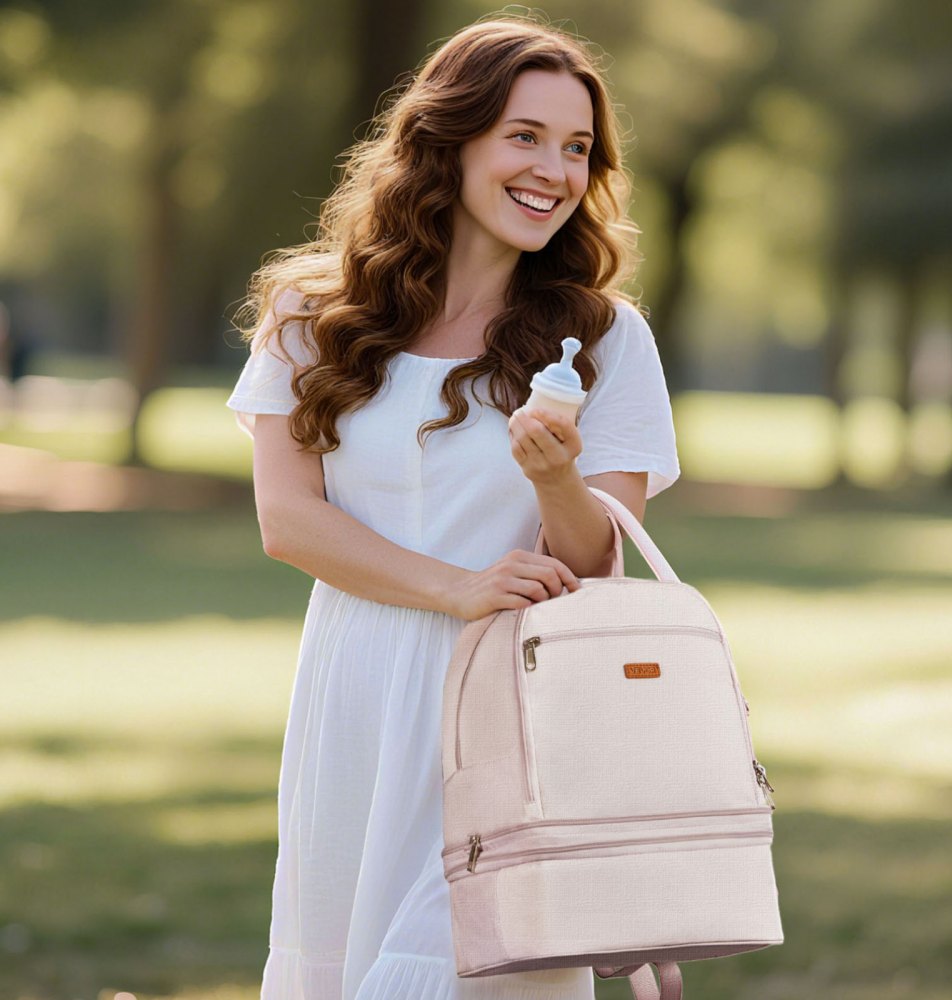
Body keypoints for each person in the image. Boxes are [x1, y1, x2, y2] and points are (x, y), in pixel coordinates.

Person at [226, 13, 680, 1000]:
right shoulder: (311, 311)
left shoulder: (606, 338)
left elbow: (599, 562)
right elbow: (287, 519)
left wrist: (554, 476)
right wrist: (457, 584)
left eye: (576, 148)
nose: (555, 171)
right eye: (524, 135)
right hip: (356, 697)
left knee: (471, 972)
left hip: (510, 711)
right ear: (450, 138)